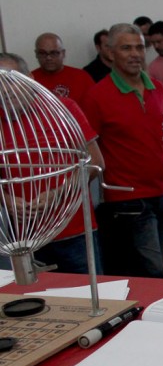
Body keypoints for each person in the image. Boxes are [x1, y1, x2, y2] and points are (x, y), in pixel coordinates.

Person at [82, 23, 163, 278]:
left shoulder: (158, 89)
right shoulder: (97, 96)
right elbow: (86, 149)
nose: (135, 53)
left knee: (153, 265)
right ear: (111, 53)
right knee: (152, 271)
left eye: (139, 47)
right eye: (127, 48)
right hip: (127, 200)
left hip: (161, 193)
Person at [0, 52, 104, 274]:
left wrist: (58, 193)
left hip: (75, 231)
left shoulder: (64, 108)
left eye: (12, 79)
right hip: (25, 238)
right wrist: (6, 199)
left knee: (92, 295)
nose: (6, 89)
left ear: (30, 78)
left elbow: (95, 162)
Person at [31, 33, 95, 104]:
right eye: (43, 53)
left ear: (63, 53)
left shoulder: (82, 77)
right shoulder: (29, 80)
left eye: (54, 53)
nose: (48, 58)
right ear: (36, 54)